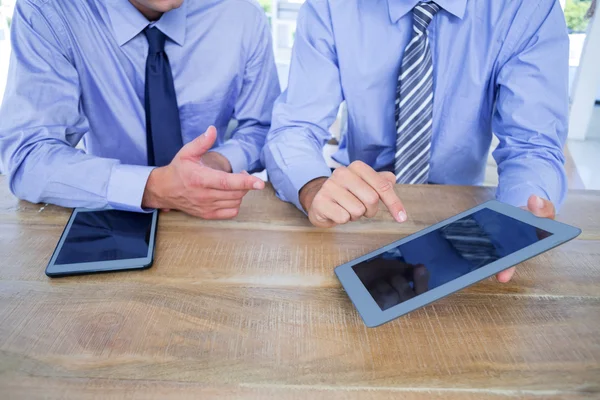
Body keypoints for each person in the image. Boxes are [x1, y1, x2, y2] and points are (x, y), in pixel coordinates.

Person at [262, 0, 568, 282]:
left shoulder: (528, 8)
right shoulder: (331, 6)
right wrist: (313, 185)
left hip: (463, 206)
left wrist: (518, 213)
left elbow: (533, 146)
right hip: (357, 207)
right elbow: (296, 126)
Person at [0, 0, 280, 220]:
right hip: (103, 212)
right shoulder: (49, 11)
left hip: (211, 215)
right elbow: (28, 155)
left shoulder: (241, 14)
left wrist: (219, 161)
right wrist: (154, 187)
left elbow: (263, 127)